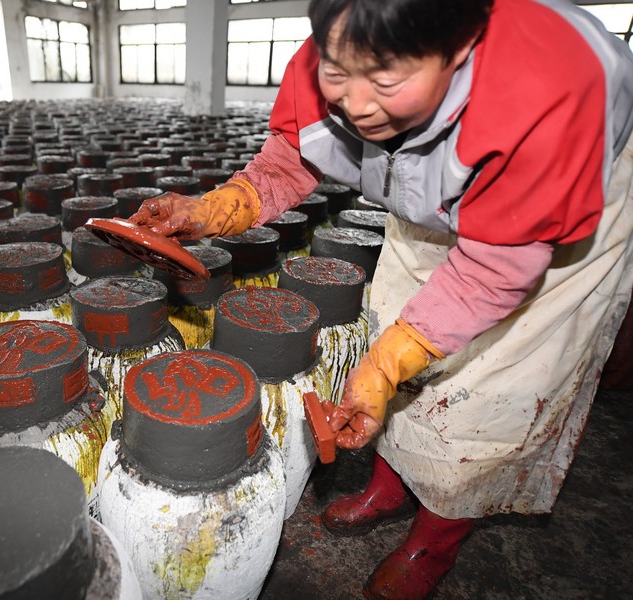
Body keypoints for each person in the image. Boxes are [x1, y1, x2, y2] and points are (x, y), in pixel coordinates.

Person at [130, 0, 633, 598]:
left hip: (552, 216)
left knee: (486, 391)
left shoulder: (546, 100)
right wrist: (209, 210)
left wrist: (392, 361)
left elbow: (494, 270)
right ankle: (390, 488)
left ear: (462, 46)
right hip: (430, 189)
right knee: (390, 323)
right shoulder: (344, 45)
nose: (355, 103)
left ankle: (434, 540)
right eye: (337, 73)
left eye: (387, 79)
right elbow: (293, 161)